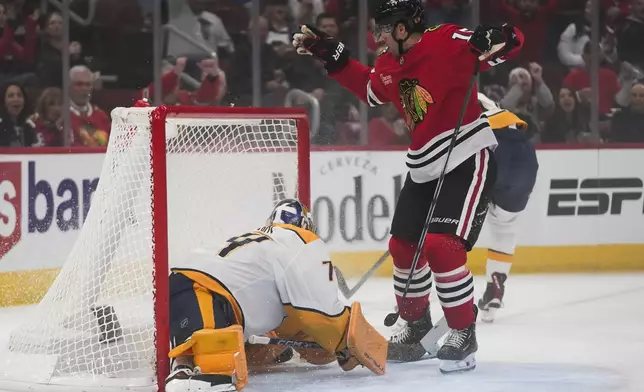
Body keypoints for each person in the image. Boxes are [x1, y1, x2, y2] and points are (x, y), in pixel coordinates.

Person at [292, 0, 523, 373]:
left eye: (383, 28)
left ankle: (464, 334)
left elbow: (510, 43)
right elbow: (370, 90)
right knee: (404, 246)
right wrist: (331, 54)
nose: (377, 36)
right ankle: (415, 326)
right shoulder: (388, 63)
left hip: (466, 154)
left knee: (441, 246)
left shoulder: (447, 39)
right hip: (424, 164)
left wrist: (495, 36)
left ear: (402, 28)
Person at [165, 199, 387, 392]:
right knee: (211, 378)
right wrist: (344, 345)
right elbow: (321, 318)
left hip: (183, 288)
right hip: (205, 293)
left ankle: (182, 363)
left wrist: (281, 344)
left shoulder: (262, 242)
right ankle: (183, 369)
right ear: (307, 226)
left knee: (222, 360)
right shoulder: (302, 240)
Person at [476, 93, 538, 323]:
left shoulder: (458, 99)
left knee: (452, 226)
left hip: (494, 149)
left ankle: (416, 291)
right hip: (526, 156)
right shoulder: (486, 102)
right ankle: (496, 286)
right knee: (504, 228)